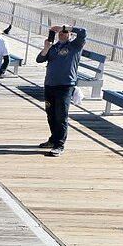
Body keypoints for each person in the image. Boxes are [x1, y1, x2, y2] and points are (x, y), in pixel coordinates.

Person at [36, 24, 87, 157]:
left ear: (70, 34)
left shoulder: (75, 46)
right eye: (60, 33)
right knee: (51, 114)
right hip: (50, 85)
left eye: (65, 32)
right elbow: (39, 59)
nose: (62, 34)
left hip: (65, 85)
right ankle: (53, 139)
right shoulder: (53, 48)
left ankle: (59, 144)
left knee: (61, 115)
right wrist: (46, 48)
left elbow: (83, 32)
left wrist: (65, 26)